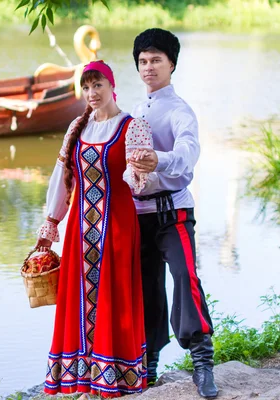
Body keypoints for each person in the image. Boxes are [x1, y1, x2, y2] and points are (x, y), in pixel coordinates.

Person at [35, 60, 152, 398]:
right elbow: (63, 179)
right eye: (86, 87)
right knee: (80, 303)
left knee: (114, 298)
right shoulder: (77, 127)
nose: (91, 93)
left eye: (97, 85)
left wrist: (137, 169)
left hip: (116, 228)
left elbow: (138, 182)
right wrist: (51, 222)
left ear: (111, 86)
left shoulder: (133, 126)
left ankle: (112, 379)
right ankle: (85, 382)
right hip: (80, 230)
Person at [129, 28, 218, 399]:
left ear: (172, 64)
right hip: (138, 215)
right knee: (146, 286)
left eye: (156, 60)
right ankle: (148, 363)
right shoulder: (135, 112)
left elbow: (187, 153)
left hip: (173, 213)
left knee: (185, 278)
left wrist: (158, 160)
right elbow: (124, 165)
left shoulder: (180, 111)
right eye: (143, 61)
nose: (149, 67)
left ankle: (202, 362)